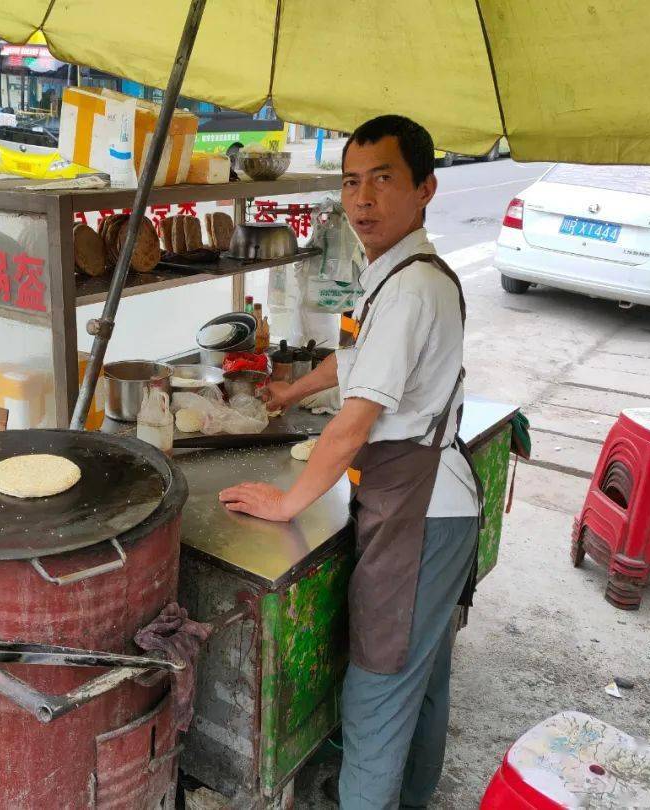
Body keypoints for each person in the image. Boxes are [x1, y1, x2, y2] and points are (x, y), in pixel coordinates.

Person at [218, 115, 482, 810]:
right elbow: (352, 359)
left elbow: (354, 422)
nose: (362, 200)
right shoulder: (397, 270)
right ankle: (414, 796)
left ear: (426, 188)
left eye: (384, 179)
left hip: (419, 516)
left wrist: (285, 503)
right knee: (420, 679)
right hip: (433, 502)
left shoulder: (411, 288)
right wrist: (287, 392)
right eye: (351, 183)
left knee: (376, 695)